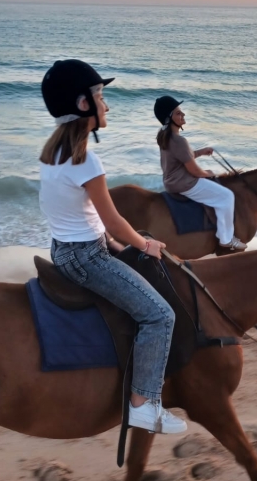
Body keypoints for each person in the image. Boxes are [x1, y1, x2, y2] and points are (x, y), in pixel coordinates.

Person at [39, 60, 187, 434]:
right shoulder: (87, 159)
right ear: (83, 104)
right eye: (101, 97)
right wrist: (145, 243)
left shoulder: (53, 153)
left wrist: (119, 246)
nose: (106, 105)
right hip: (87, 257)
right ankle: (144, 405)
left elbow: (81, 216)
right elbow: (112, 219)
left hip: (66, 248)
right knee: (160, 315)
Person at [154, 95, 247, 251]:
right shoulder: (179, 141)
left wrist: (201, 152)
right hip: (184, 183)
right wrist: (208, 173)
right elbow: (194, 170)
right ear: (169, 118)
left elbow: (182, 157)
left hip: (171, 182)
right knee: (227, 196)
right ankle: (226, 239)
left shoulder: (165, 136)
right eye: (178, 113)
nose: (183, 114)